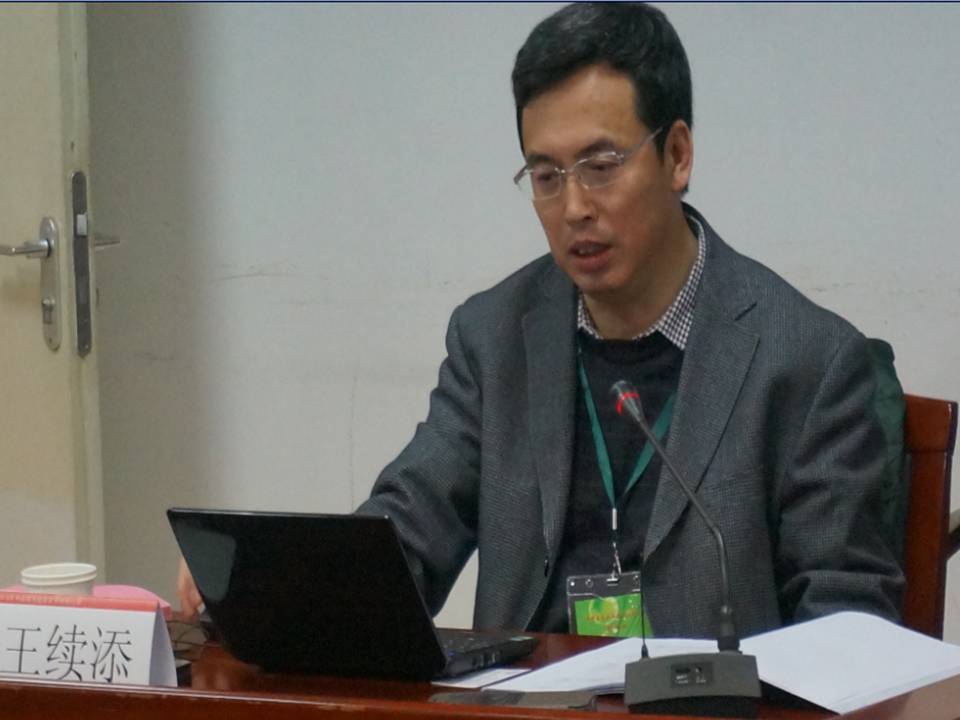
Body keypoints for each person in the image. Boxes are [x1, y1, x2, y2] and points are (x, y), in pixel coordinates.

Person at [179, 2, 903, 638]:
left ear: (677, 155)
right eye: (547, 176)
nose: (574, 207)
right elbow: (409, 530)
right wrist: (259, 584)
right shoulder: (494, 337)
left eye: (601, 165)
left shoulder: (807, 360)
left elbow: (847, 623)